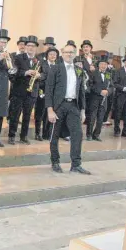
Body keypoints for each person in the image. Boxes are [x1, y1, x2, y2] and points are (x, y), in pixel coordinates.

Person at [46, 43, 91, 175]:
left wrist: (82, 110)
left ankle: (76, 164)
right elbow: (48, 90)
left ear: (75, 53)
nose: (69, 54)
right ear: (62, 53)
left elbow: (81, 91)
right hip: (58, 106)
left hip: (73, 106)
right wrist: (50, 110)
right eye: (66, 52)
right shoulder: (55, 68)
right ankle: (55, 162)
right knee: (54, 136)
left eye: (71, 52)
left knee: (77, 134)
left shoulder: (79, 70)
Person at [7, 35, 40, 145]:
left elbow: (45, 74)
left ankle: (23, 136)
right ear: (25, 47)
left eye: (33, 46)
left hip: (32, 92)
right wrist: (25, 72)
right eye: (29, 45)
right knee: (15, 115)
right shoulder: (18, 58)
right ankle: (11, 135)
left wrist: (39, 75)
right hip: (19, 91)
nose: (31, 48)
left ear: (36, 48)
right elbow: (14, 71)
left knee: (27, 115)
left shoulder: (39, 60)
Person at [86, 55, 113, 141]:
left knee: (101, 118)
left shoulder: (109, 75)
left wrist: (108, 92)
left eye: (105, 64)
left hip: (104, 100)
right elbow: (90, 85)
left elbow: (112, 86)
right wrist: (100, 91)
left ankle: (96, 134)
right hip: (94, 98)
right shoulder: (93, 73)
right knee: (92, 117)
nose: (103, 66)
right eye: (102, 64)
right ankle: (89, 135)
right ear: (99, 65)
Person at [35, 46, 59, 140]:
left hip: (53, 94)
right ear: (47, 55)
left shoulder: (58, 66)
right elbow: (38, 77)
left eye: (54, 54)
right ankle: (37, 133)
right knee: (40, 113)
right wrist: (42, 77)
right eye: (51, 54)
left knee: (49, 114)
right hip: (42, 91)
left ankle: (46, 133)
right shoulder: (42, 64)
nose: (53, 56)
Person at [80, 40, 95, 124]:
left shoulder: (95, 58)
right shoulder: (79, 58)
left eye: (87, 47)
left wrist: (95, 70)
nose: (85, 48)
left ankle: (89, 125)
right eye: (84, 47)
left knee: (91, 106)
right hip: (84, 85)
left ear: (91, 48)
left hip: (94, 85)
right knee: (83, 105)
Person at [103, 53, 116, 124]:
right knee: (104, 104)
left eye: (111, 58)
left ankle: (105, 119)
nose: (110, 60)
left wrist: (113, 87)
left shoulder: (113, 67)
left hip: (111, 88)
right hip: (105, 88)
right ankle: (102, 119)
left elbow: (114, 78)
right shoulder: (104, 66)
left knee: (109, 104)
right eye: (109, 58)